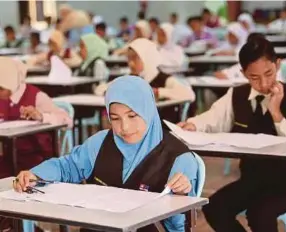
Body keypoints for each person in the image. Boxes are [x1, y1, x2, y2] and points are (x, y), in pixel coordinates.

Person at [14, 75, 198, 232]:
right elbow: (68, 166)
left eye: (132, 116)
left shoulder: (179, 158)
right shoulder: (100, 142)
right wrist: (37, 174)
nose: (124, 128)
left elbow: (179, 228)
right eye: (115, 119)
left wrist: (180, 198)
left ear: (148, 110)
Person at [178, 36, 286, 232]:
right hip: (253, 177)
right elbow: (213, 118)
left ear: (278, 65)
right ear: (243, 73)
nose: (263, 83)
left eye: (269, 73)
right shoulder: (237, 96)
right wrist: (193, 125)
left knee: (260, 214)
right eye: (254, 77)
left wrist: (276, 113)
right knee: (215, 208)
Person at [97, 38, 194, 102]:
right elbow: (100, 89)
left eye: (135, 58)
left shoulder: (163, 79)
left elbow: (189, 95)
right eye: (129, 58)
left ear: (147, 58)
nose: (131, 63)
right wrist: (113, 91)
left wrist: (159, 92)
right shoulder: (130, 78)